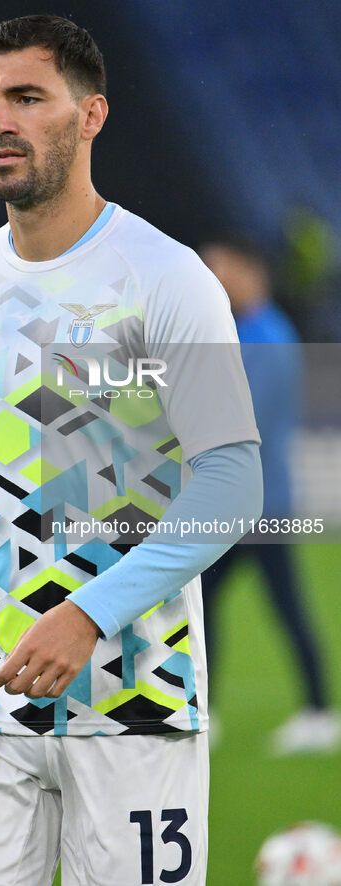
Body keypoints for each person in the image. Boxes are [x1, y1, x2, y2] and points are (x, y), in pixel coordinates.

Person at [0, 16, 262, 885]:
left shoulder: (165, 280)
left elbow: (232, 480)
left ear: (90, 116)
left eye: (25, 97)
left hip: (136, 707)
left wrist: (87, 613)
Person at [199, 237, 341, 755]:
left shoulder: (265, 337)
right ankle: (208, 710)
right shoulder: (248, 332)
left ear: (246, 268)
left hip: (259, 502)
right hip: (250, 499)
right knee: (213, 596)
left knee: (276, 603)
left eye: (217, 268)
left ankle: (318, 712)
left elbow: (240, 417)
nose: (211, 279)